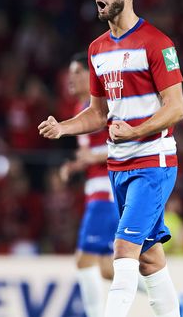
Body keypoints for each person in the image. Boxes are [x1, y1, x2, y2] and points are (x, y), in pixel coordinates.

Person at [39, 0, 183, 317]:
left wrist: (136, 131)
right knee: (149, 259)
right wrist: (65, 127)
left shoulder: (157, 43)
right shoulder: (97, 50)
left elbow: (176, 107)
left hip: (153, 161)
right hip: (117, 165)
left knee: (122, 250)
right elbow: (98, 113)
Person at [59, 52, 119, 317]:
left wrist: (92, 157)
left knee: (84, 261)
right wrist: (75, 165)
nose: (70, 78)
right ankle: (178, 300)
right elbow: (92, 152)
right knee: (107, 268)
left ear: (91, 74)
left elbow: (125, 142)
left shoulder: (105, 104)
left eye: (77, 72)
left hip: (106, 190)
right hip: (95, 189)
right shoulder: (78, 109)